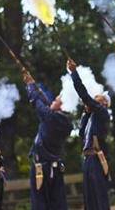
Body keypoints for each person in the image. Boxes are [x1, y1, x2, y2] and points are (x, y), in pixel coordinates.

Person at [23, 70, 73, 210]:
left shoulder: (51, 118)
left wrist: (30, 86)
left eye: (57, 99)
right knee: (57, 203)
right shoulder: (64, 121)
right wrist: (34, 85)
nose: (54, 99)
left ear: (61, 106)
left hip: (42, 167)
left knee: (40, 203)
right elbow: (45, 103)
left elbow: (37, 103)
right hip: (54, 167)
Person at [67, 59, 111, 210]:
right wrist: (85, 113)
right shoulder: (92, 115)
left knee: (100, 197)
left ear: (104, 103)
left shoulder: (102, 112)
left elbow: (84, 95)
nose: (95, 97)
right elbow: (81, 133)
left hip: (97, 158)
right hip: (88, 158)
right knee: (89, 197)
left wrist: (74, 73)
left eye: (99, 97)